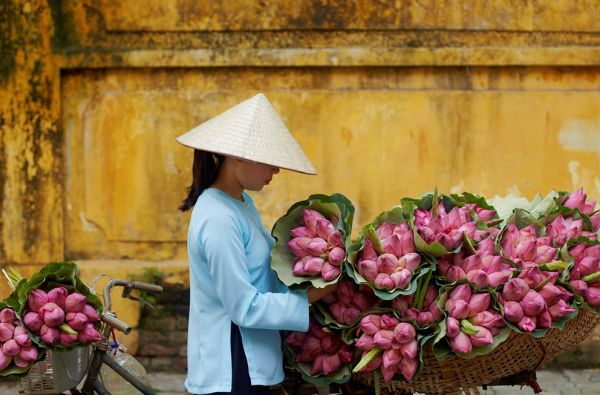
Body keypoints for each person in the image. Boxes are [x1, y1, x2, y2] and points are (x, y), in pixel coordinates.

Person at [176, 93, 336, 395]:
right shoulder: (218, 218)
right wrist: (314, 295)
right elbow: (243, 307)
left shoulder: (240, 203)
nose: (275, 170)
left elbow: (262, 273)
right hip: (232, 363)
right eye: (269, 160)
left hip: (249, 360)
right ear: (238, 154)